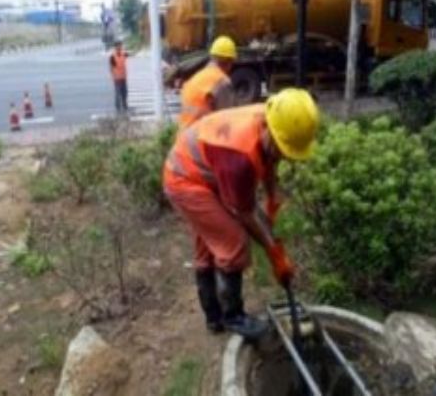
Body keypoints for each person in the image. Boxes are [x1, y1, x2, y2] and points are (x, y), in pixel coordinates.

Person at [163, 88, 320, 340]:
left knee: (208, 244)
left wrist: (271, 196)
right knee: (233, 242)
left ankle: (214, 319)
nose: (284, 156)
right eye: (282, 148)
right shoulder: (239, 158)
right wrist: (274, 252)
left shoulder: (271, 117)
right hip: (185, 180)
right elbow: (244, 212)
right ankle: (233, 316)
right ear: (271, 129)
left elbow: (270, 160)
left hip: (206, 169)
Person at [178, 35, 238, 129]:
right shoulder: (222, 81)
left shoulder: (197, 77)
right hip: (200, 138)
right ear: (229, 61)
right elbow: (227, 120)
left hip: (184, 137)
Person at [110, 40, 129, 114]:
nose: (120, 47)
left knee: (124, 92)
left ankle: (124, 105)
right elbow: (112, 68)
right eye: (118, 46)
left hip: (123, 77)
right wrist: (113, 76)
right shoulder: (112, 56)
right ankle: (118, 108)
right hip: (117, 78)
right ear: (115, 47)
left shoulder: (123, 54)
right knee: (118, 93)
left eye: (120, 46)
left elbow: (129, 55)